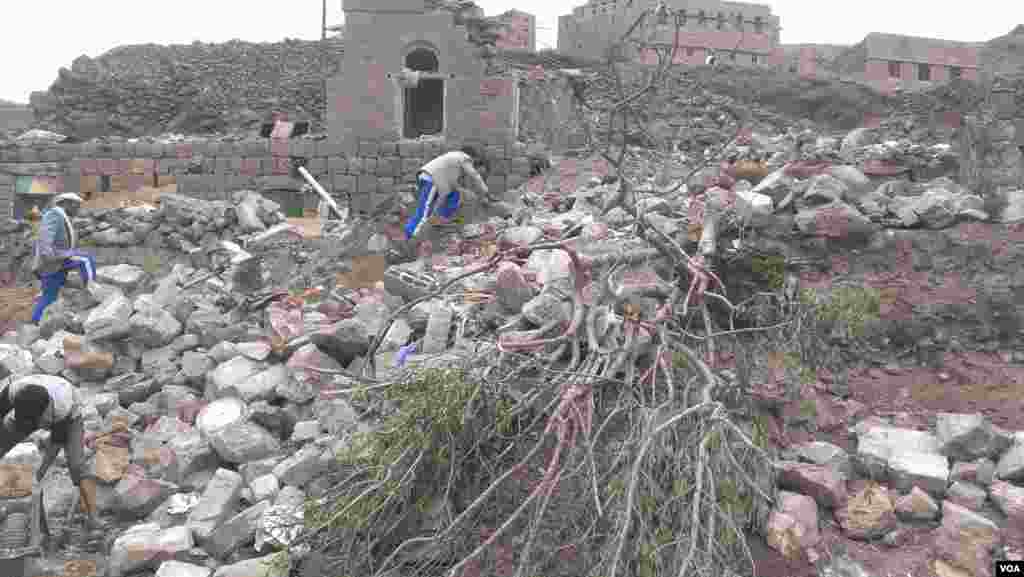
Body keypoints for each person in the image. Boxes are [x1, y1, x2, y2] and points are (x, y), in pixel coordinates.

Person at [0, 376, 101, 533]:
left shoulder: (62, 407)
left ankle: (94, 517)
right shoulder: (13, 392)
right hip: (28, 411)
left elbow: (55, 445)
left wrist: (38, 475)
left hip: (70, 419)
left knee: (77, 464)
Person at [30, 193, 97, 324]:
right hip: (53, 261)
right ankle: (94, 292)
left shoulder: (62, 216)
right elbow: (44, 241)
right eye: (76, 206)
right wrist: (58, 256)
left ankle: (35, 322)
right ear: (66, 203)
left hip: (55, 262)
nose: (78, 210)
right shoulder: (54, 215)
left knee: (49, 296)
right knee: (85, 259)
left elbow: (61, 238)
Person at [404, 146, 490, 242]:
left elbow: (453, 184)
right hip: (432, 180)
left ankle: (440, 220)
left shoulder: (453, 161)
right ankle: (410, 237)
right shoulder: (464, 158)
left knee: (455, 196)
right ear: (473, 158)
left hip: (437, 181)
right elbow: (474, 175)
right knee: (425, 211)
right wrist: (485, 191)